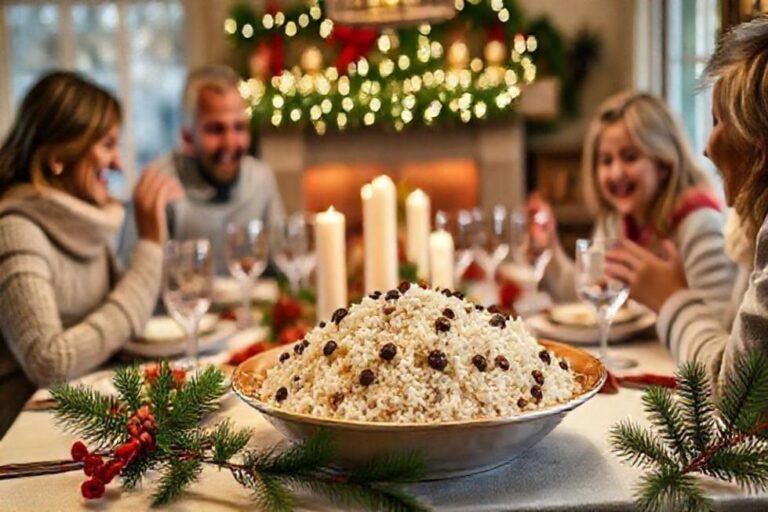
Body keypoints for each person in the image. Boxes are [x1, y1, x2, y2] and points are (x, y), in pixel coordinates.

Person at [0, 71, 182, 436]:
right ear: (58, 157)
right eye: (107, 145)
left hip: (83, 417)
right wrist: (150, 243)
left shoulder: (83, 220)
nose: (118, 163)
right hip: (25, 433)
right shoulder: (15, 231)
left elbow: (121, 319)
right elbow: (49, 363)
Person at [605, 15, 768, 387]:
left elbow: (737, 389)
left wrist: (671, 299)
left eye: (717, 121)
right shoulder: (620, 221)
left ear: (758, 144)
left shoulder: (701, 223)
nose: (706, 148)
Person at [529, 91, 736, 314]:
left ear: (663, 163)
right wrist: (551, 250)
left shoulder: (701, 224)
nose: (616, 173)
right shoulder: (614, 223)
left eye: (630, 157)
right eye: (606, 161)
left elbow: (719, 323)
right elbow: (589, 296)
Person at [118, 65, 285, 274]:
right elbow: (133, 278)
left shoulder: (261, 179)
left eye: (239, 127)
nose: (230, 143)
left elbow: (282, 264)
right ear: (187, 137)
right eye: (216, 129)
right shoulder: (156, 189)